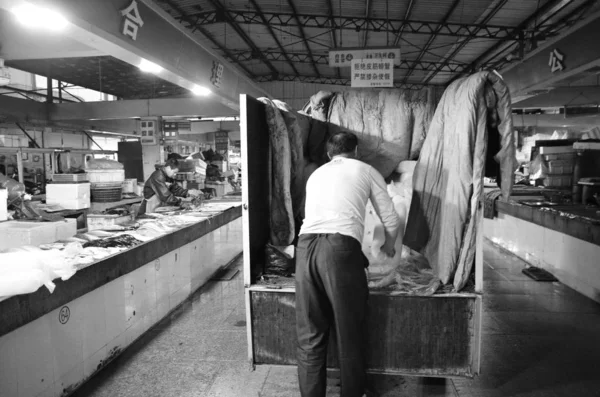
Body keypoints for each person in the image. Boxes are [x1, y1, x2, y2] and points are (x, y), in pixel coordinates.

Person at [295, 132, 401, 397]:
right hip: (339, 251)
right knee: (348, 331)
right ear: (355, 151)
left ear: (330, 154)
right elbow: (391, 218)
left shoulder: (316, 174)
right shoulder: (366, 169)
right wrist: (389, 244)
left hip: (305, 248)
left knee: (310, 335)